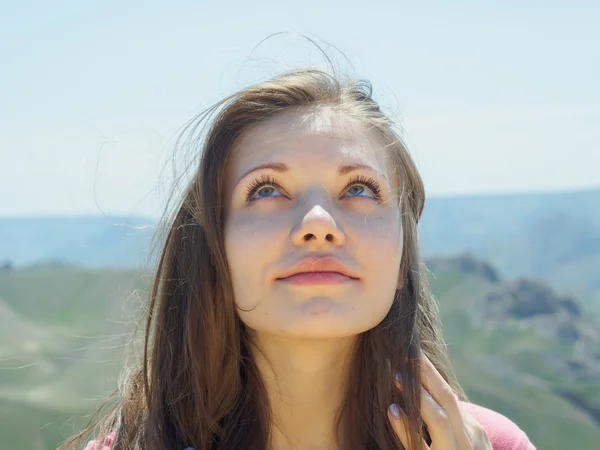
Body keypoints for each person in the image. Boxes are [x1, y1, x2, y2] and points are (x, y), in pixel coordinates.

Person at [62, 65, 536, 450]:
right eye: (266, 189)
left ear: (402, 255)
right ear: (215, 253)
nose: (318, 222)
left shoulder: (494, 445)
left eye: (359, 188)